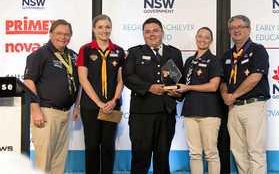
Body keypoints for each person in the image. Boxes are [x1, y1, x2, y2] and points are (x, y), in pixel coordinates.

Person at [123, 17, 183, 174]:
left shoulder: (174, 53)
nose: (152, 34)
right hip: (142, 113)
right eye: (147, 31)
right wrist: (149, 87)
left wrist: (177, 92)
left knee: (162, 158)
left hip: (166, 112)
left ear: (162, 32)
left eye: (155, 30)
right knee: (140, 158)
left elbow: (180, 80)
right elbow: (128, 77)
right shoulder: (135, 52)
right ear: (143, 34)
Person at [24, 19, 79, 174]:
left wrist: (78, 106)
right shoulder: (39, 54)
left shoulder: (73, 56)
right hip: (46, 112)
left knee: (59, 161)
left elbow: (79, 83)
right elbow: (29, 82)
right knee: (44, 160)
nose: (63, 37)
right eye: (59, 33)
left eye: (67, 34)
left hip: (66, 113)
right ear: (50, 34)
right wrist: (35, 110)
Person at [220, 15, 270, 174]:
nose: (236, 30)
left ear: (248, 29)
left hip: (253, 106)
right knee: (238, 151)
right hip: (233, 109)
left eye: (240, 26)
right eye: (232, 28)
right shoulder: (227, 55)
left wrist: (233, 96)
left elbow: (255, 77)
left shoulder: (258, 50)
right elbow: (222, 80)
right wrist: (225, 95)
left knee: (255, 150)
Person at [76, 14, 125, 174]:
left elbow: (121, 80)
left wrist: (114, 100)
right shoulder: (85, 50)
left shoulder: (119, 51)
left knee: (108, 146)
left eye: (107, 27)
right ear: (94, 29)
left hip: (112, 107)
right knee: (91, 146)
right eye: (100, 27)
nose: (104, 30)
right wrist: (98, 102)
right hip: (91, 106)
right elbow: (83, 79)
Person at [176, 27, 223, 174]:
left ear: (211, 41)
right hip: (190, 111)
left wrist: (188, 88)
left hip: (209, 112)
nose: (202, 39)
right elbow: (183, 85)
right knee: (194, 153)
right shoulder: (189, 60)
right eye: (200, 36)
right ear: (196, 38)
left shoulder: (214, 60)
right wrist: (175, 88)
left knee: (210, 153)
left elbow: (213, 86)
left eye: (206, 37)